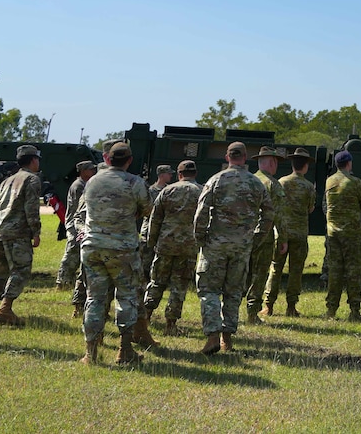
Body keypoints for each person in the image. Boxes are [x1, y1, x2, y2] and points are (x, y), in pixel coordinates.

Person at [194, 142, 274, 354]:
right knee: (233, 292)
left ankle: (212, 336)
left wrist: (200, 238)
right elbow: (268, 214)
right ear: (245, 157)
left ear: (227, 156)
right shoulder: (256, 183)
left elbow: (201, 212)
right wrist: (256, 238)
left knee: (209, 290)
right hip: (242, 246)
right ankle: (226, 339)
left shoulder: (216, 180)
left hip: (215, 245)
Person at [78, 141, 152, 366]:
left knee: (94, 298)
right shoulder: (134, 182)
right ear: (129, 160)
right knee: (127, 297)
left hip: (92, 248)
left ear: (107, 158)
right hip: (122, 249)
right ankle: (125, 350)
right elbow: (148, 209)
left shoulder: (92, 181)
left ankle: (90, 353)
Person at [0, 145, 44, 326]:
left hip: (0, 232)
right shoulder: (32, 180)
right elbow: (31, 208)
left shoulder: (7, 180)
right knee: (21, 269)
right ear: (34, 160)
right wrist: (36, 232)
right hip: (18, 233)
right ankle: (5, 308)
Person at [143, 159, 202, 335]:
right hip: (189, 247)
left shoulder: (167, 191)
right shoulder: (202, 191)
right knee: (179, 286)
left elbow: (155, 219)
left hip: (165, 245)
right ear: (195, 174)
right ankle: (171, 325)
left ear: (179, 174)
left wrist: (151, 242)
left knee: (157, 282)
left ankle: (145, 316)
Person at [266, 148, 317, 318]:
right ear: (306, 166)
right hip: (300, 234)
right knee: (296, 271)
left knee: (275, 269)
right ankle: (291, 307)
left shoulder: (281, 182)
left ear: (292, 164)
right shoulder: (309, 186)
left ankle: (268, 305)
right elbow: (310, 209)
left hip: (282, 233)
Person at [323, 148, 361, 321]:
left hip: (333, 233)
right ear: (349, 163)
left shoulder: (329, 181)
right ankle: (355, 311)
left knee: (334, 271)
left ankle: (331, 311)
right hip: (352, 234)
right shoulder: (355, 182)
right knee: (354, 272)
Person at [247, 146, 286, 323]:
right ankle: (252, 313)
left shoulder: (248, 180)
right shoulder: (272, 184)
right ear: (272, 162)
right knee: (259, 274)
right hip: (263, 236)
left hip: (241, 235)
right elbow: (278, 214)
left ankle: (228, 311)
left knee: (239, 273)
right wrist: (283, 238)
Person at [57, 161, 97, 292]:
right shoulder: (78, 186)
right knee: (72, 253)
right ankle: (62, 281)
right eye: (90, 169)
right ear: (83, 171)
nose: (93, 171)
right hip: (75, 224)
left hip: (79, 224)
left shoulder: (85, 184)